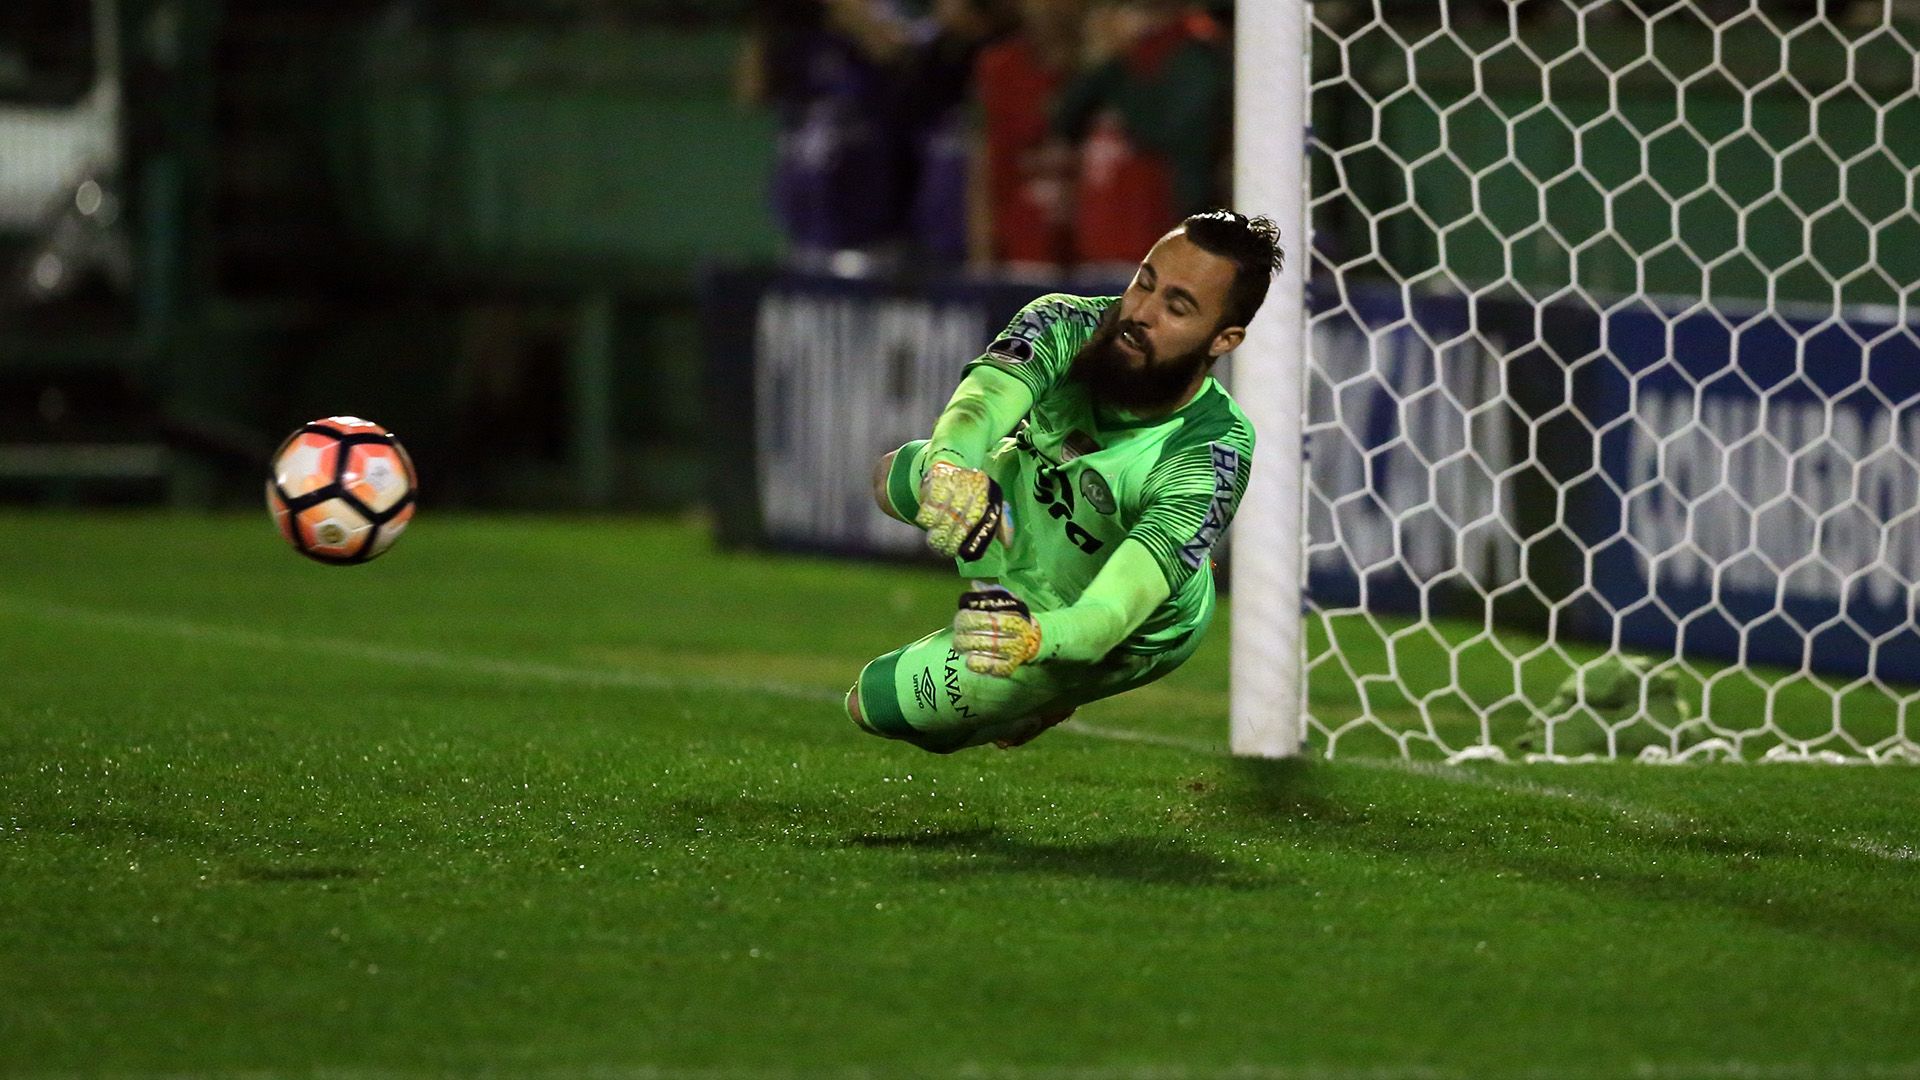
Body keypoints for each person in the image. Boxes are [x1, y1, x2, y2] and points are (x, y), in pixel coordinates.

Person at [845, 210, 1282, 752]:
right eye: (1144, 282)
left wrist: (1036, 639)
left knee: (875, 703)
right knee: (893, 475)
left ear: (1224, 339)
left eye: (1177, 306)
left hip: (1106, 619)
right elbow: (982, 403)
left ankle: (1039, 699)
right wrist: (952, 465)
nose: (1141, 312)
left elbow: (1110, 614)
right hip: (1028, 501)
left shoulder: (1206, 455)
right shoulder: (1067, 322)